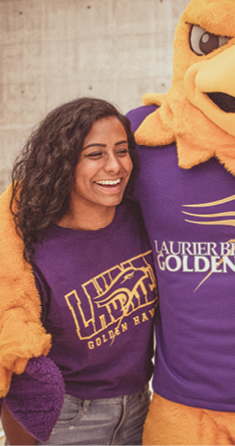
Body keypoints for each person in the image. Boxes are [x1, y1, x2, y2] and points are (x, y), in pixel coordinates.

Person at [1, 97, 157, 445]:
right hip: (67, 418)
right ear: (62, 162)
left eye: (121, 150)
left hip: (140, 407)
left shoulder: (140, 218)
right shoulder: (32, 248)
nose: (115, 166)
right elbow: (17, 361)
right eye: (95, 154)